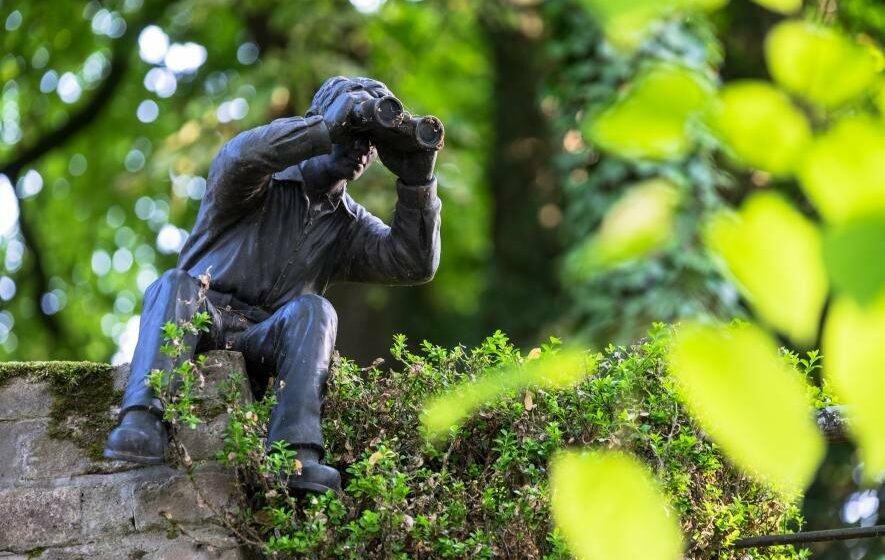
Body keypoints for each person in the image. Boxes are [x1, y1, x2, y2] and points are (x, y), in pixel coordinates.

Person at [103, 76, 442, 494]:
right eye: (355, 132)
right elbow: (240, 155)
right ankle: (142, 418)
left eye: (372, 142)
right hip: (201, 316)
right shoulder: (258, 177)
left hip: (263, 340)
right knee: (174, 284)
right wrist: (322, 130)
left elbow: (412, 263)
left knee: (316, 309)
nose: (362, 149)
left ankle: (296, 456)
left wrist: (418, 183)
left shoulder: (348, 223)